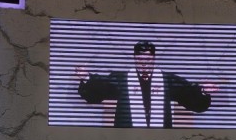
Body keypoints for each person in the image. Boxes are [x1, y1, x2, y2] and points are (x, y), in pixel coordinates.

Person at [76, 41, 216, 128]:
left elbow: (188, 93)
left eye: (148, 60)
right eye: (140, 60)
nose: (144, 64)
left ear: (154, 59)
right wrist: (86, 77)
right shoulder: (122, 79)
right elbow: (101, 87)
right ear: (134, 59)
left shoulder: (167, 80)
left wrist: (203, 91)